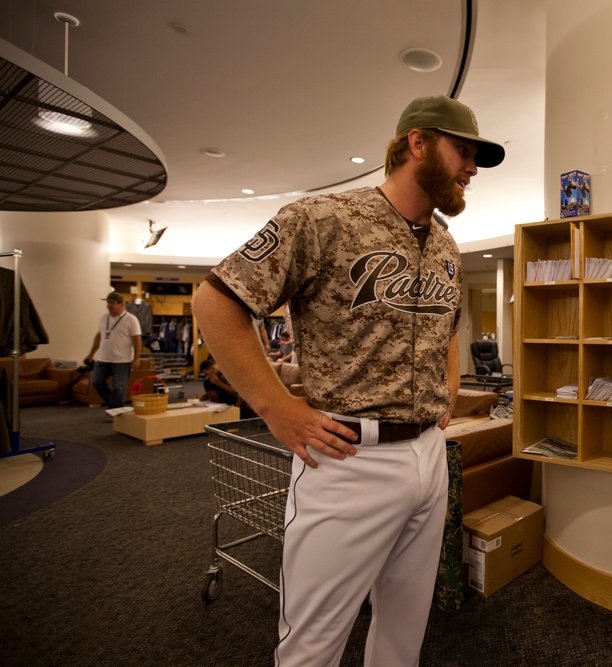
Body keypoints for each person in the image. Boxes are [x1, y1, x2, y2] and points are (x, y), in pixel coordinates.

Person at [191, 95, 504, 665]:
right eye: (464, 151)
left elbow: (448, 325)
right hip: (345, 456)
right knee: (312, 645)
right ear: (417, 142)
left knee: (405, 632)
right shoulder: (322, 218)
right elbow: (215, 301)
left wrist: (449, 388)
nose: (472, 168)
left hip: (429, 455)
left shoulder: (445, 243)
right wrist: (276, 407)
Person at [85, 292, 142, 409]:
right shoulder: (104, 318)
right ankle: (115, 404)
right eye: (108, 303)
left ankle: (114, 411)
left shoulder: (131, 320)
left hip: (122, 360)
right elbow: (99, 336)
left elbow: (137, 340)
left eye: (112, 303)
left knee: (119, 387)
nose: (109, 305)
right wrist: (91, 353)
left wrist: (136, 358)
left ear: (121, 304)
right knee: (96, 381)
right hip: (103, 358)